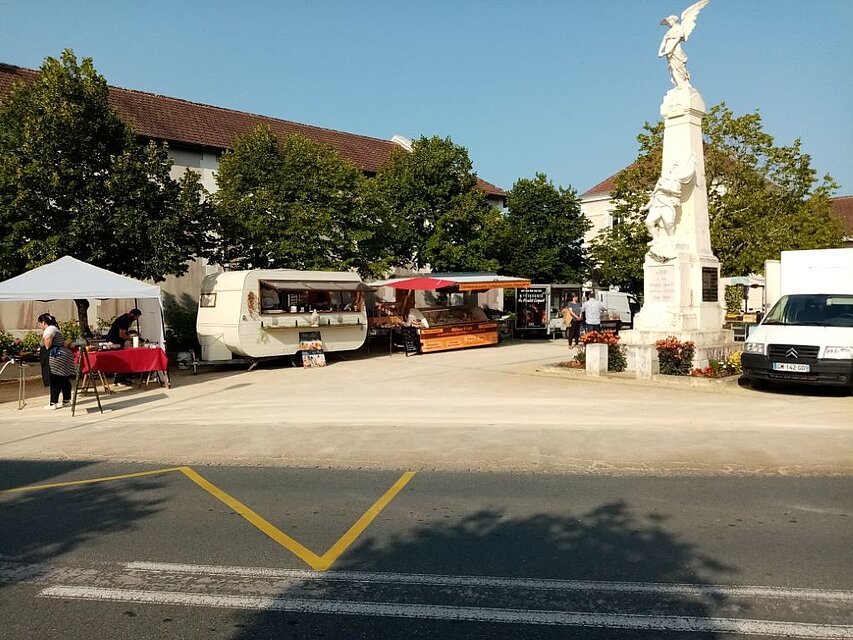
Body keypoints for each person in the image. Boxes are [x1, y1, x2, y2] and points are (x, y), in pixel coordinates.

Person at [658, 0, 709, 90]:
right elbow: (663, 41)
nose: (668, 22)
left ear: (674, 20)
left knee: (679, 66)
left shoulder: (679, 28)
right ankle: (679, 85)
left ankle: (684, 83)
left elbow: (677, 40)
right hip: (668, 52)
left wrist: (668, 50)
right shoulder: (669, 32)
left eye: (669, 20)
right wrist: (659, 52)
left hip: (675, 49)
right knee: (672, 67)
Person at [37, 313, 76, 410]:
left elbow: (48, 338)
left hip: (56, 356)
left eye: (39, 323)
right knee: (64, 378)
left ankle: (53, 403)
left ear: (43, 322)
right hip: (63, 355)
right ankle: (66, 400)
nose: (39, 325)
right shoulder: (55, 328)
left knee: (54, 379)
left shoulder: (49, 329)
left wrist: (47, 346)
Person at [106, 308, 141, 385]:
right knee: (120, 360)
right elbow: (122, 335)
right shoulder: (123, 320)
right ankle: (118, 379)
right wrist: (132, 339)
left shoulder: (127, 319)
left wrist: (131, 332)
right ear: (132, 314)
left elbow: (124, 331)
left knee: (123, 359)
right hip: (114, 342)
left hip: (118, 342)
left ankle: (121, 378)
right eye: (136, 317)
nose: (136, 319)